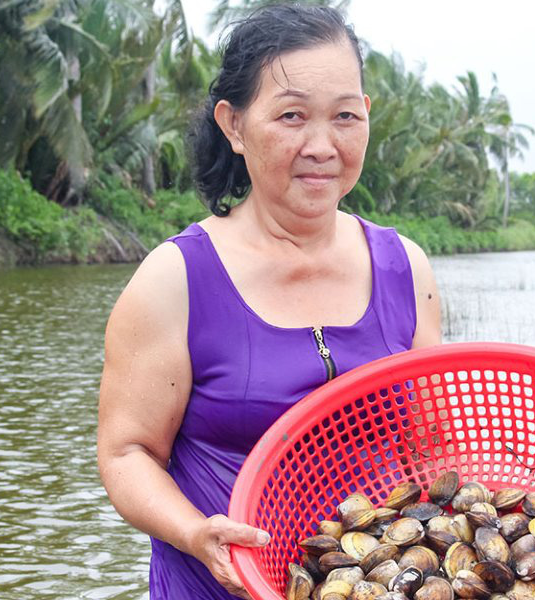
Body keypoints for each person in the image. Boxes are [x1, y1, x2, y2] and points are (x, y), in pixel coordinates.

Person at [96, 5, 442, 599]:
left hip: (375, 581)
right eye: (291, 116)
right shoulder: (176, 278)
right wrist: (194, 531)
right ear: (233, 125)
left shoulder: (405, 268)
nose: (322, 145)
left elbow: (432, 448)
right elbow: (126, 452)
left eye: (344, 116)